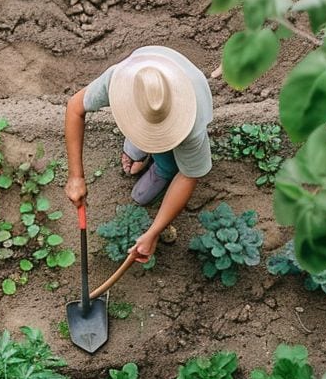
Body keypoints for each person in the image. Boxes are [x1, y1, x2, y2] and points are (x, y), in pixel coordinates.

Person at [64, 45, 214, 264]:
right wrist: (75, 177)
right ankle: (139, 150)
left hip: (187, 97)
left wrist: (153, 232)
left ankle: (162, 166)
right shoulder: (120, 80)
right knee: (136, 145)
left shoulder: (192, 123)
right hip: (149, 75)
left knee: (146, 192)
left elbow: (189, 175)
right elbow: (75, 108)